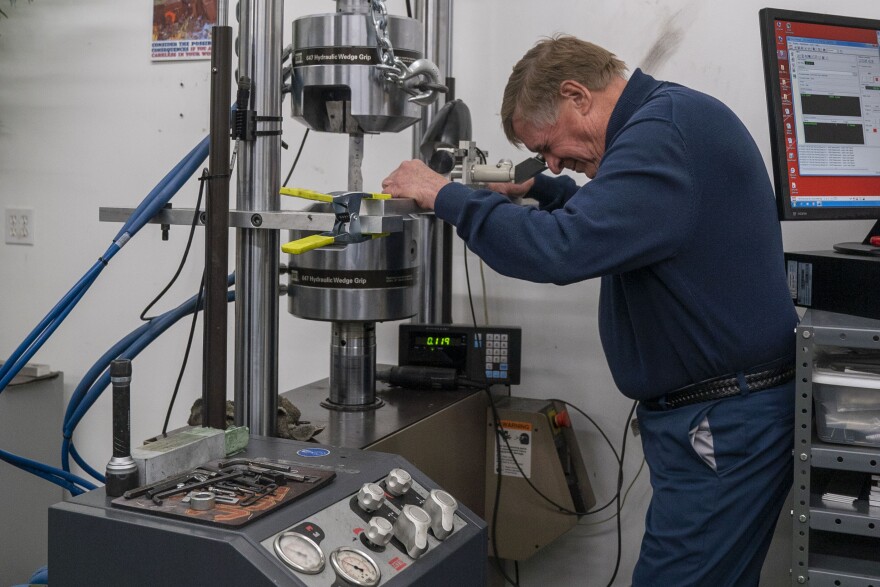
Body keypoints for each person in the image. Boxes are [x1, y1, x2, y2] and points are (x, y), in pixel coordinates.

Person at [381, 35, 798, 586]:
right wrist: (542, 190)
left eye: (550, 146)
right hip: (721, 415)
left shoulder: (661, 134)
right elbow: (624, 215)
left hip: (722, 421)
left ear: (577, 95)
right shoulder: (668, 120)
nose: (555, 162)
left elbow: (561, 248)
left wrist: (443, 194)